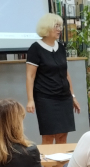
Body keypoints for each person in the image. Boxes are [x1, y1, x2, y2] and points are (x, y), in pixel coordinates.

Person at [25, 13, 81, 145]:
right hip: (46, 98)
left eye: (60, 26)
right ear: (46, 27)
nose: (59, 29)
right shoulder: (35, 48)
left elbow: (65, 73)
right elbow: (30, 76)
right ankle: (47, 166)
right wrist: (30, 100)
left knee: (63, 136)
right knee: (48, 137)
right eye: (56, 26)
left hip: (64, 97)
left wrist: (72, 96)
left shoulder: (61, 47)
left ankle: (62, 166)